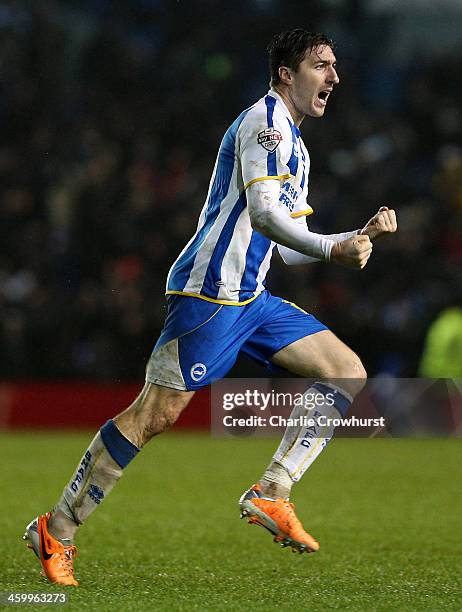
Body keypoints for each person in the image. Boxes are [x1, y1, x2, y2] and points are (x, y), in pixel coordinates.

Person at [24, 28, 397, 585]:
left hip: (252, 297)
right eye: (321, 65)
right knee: (155, 415)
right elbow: (268, 215)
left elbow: (284, 243)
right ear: (286, 74)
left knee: (344, 371)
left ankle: (272, 490)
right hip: (209, 293)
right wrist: (331, 247)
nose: (334, 77)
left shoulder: (296, 142)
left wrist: (347, 237)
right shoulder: (265, 123)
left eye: (335, 66)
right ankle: (57, 528)